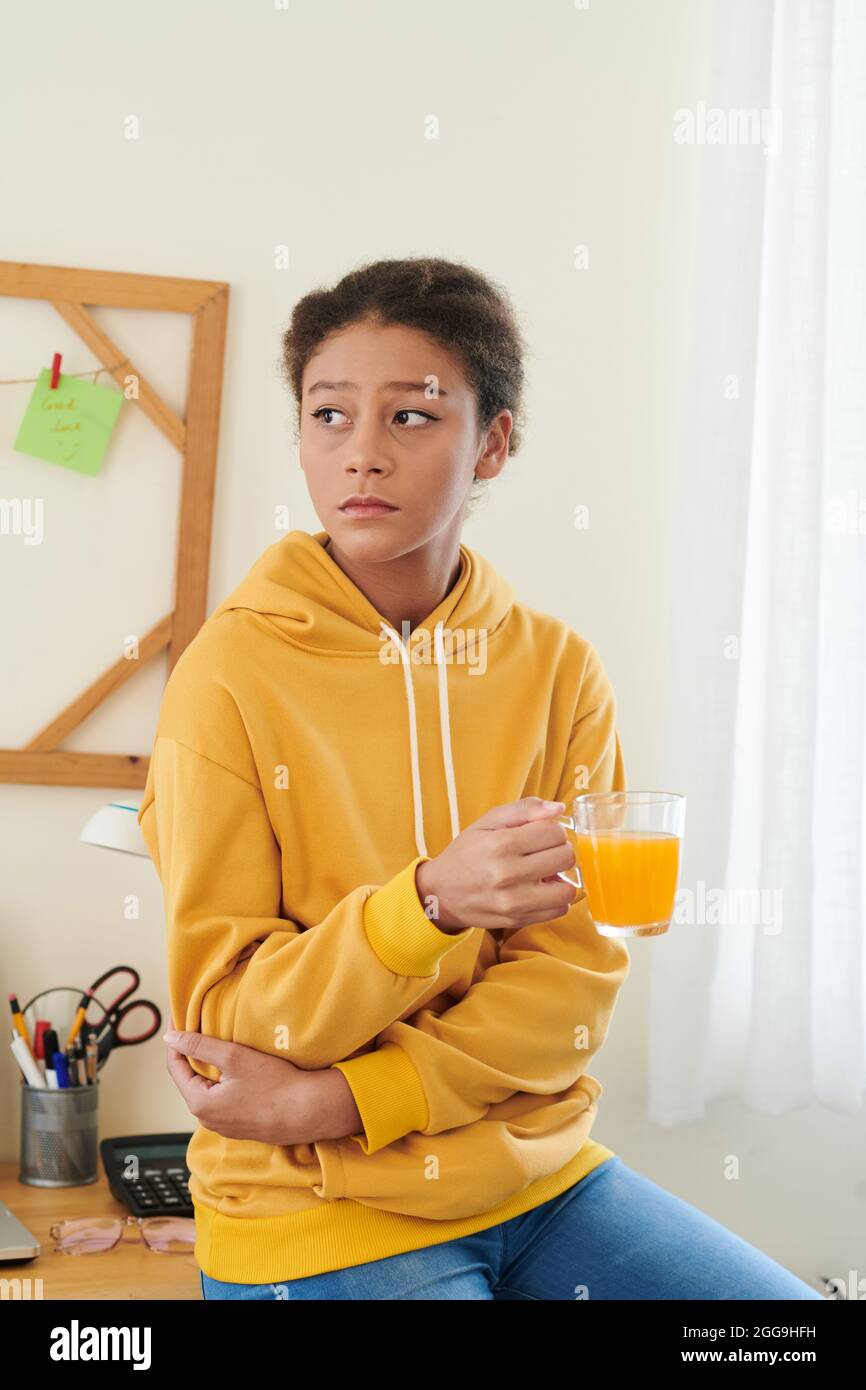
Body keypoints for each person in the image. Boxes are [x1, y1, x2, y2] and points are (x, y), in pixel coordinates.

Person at [138, 256, 823, 1302]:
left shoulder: (554, 670)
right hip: (316, 1216)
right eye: (327, 415)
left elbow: (571, 985)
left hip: (539, 1179)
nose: (360, 452)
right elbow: (231, 1025)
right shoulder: (228, 676)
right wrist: (427, 902)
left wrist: (337, 1099)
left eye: (411, 417)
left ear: (491, 442)